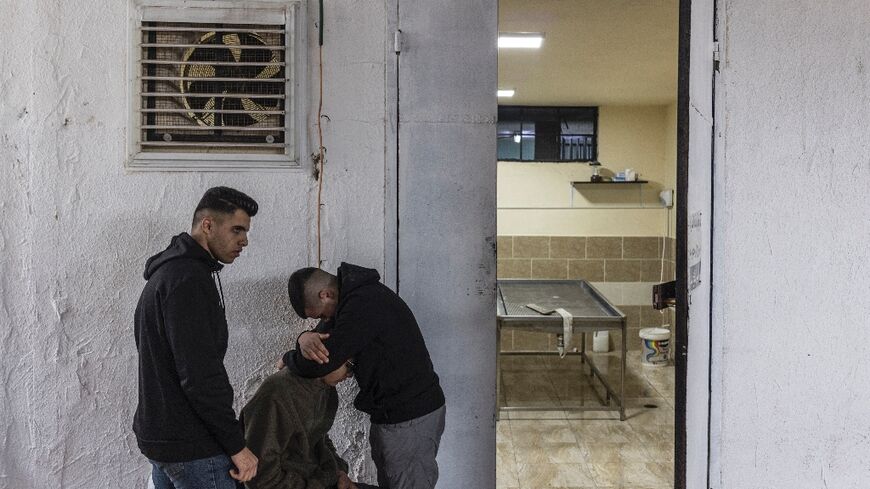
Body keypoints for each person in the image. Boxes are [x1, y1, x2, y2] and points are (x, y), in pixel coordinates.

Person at [133, 186, 260, 489]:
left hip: (164, 438)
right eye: (237, 229)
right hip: (192, 446)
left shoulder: (168, 275)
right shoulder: (188, 281)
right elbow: (200, 375)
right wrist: (236, 447)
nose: (244, 240)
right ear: (207, 225)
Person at [278, 263, 446, 489]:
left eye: (321, 314)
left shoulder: (363, 303)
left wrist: (290, 358)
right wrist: (303, 337)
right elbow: (319, 340)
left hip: (410, 418)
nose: (324, 320)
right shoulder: (350, 299)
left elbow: (322, 361)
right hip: (395, 416)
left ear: (325, 295)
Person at [241, 360, 375, 489]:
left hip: (319, 478)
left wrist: (339, 472)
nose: (350, 375)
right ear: (327, 354)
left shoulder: (326, 389)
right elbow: (261, 476)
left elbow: (320, 437)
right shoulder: (278, 393)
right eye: (349, 365)